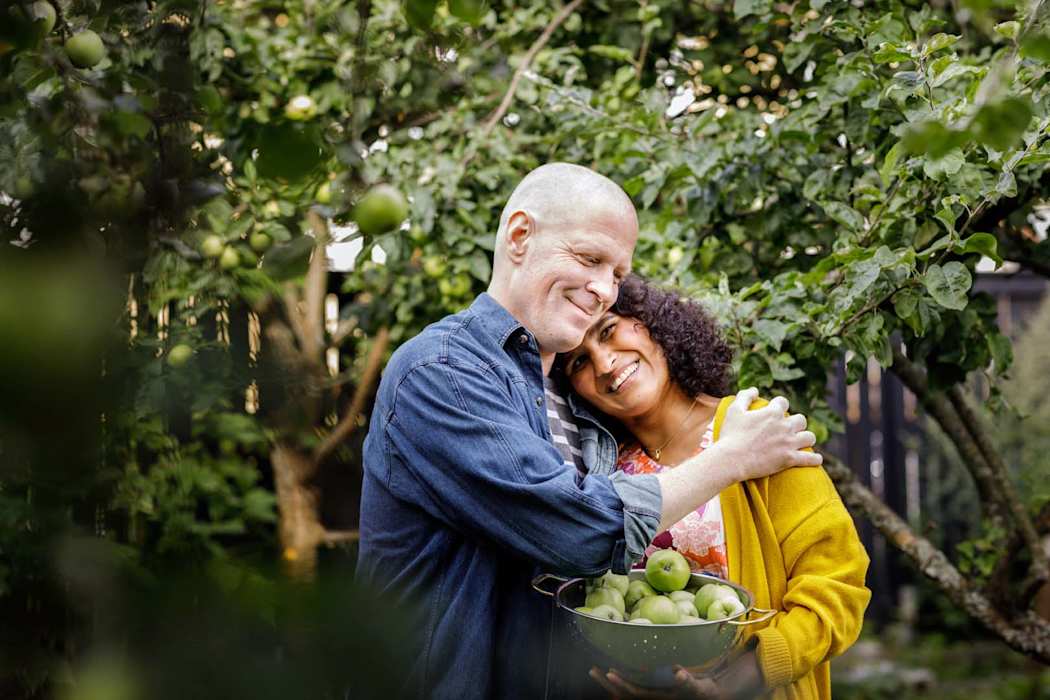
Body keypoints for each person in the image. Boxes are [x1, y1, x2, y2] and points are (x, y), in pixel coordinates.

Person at [356, 163, 823, 699]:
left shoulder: (582, 405)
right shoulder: (441, 372)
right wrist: (732, 456)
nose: (604, 288)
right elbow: (577, 533)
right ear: (520, 236)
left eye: (619, 275)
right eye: (589, 258)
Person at [556, 275, 871, 700]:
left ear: (651, 322)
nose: (606, 364)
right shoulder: (607, 474)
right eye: (578, 362)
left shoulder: (753, 430)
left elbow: (839, 587)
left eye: (609, 331)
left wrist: (737, 683)